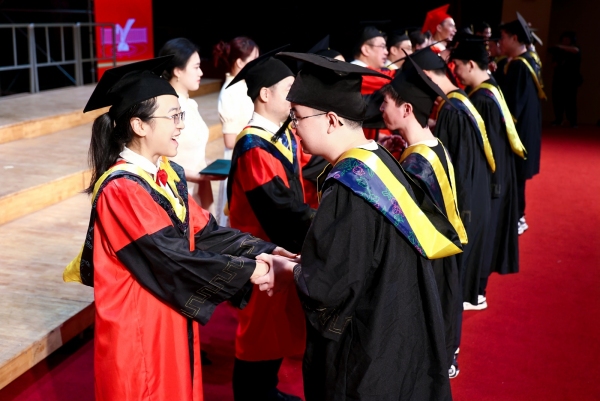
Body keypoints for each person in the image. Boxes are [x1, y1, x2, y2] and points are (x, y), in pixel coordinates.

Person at [62, 56, 292, 401]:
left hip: (167, 312)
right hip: (140, 325)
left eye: (180, 115)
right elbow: (170, 256)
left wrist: (266, 250)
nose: (180, 126)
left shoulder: (165, 175)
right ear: (139, 125)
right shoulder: (121, 189)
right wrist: (253, 270)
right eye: (173, 116)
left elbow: (206, 232)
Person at [256, 52, 462, 401]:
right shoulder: (379, 161)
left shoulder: (349, 186)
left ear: (331, 120)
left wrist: (288, 270)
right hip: (401, 333)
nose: (294, 127)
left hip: (370, 352)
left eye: (298, 117)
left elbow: (331, 287)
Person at [226, 51, 313, 401]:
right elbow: (280, 209)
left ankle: (266, 390)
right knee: (259, 332)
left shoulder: (282, 135)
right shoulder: (253, 146)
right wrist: (326, 230)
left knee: (275, 329)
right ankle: (251, 395)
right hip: (259, 254)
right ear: (265, 94)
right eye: (289, 88)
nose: (295, 95)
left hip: (279, 251)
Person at [379, 55, 468, 379]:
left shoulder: (416, 166)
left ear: (406, 109)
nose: (381, 108)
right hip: (445, 258)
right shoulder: (433, 147)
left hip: (429, 262)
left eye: (386, 102)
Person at [411, 47, 495, 313]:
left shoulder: (452, 109)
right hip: (476, 191)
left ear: (426, 76)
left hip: (465, 198)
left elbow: (452, 166)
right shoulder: (457, 102)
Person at [452, 36, 525, 309]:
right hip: (499, 178)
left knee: (484, 235)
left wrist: (489, 186)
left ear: (471, 64)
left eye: (458, 65)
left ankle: (478, 292)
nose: (456, 71)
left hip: (492, 180)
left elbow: (488, 147)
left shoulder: (483, 99)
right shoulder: (490, 89)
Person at [498, 12, 544, 235]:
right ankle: (517, 216)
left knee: (515, 177)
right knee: (517, 177)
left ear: (514, 38)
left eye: (503, 37)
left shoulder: (519, 66)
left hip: (519, 132)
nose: (500, 42)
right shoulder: (531, 59)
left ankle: (517, 217)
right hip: (529, 128)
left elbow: (513, 105)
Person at [158, 38, 216, 209]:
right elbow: (160, 160)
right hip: (177, 194)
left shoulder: (190, 104)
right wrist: (195, 175)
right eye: (196, 67)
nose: (201, 73)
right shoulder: (165, 108)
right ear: (178, 71)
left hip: (197, 189)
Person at [213, 36, 260, 226]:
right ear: (240, 62)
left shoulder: (243, 85)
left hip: (249, 154)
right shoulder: (230, 92)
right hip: (238, 158)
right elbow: (230, 140)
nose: (258, 63)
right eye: (253, 59)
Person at [549, 31, 582, 127]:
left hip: (571, 79)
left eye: (567, 40)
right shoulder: (559, 52)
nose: (565, 41)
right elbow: (554, 64)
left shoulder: (575, 49)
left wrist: (560, 47)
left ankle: (572, 121)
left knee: (570, 101)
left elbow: (576, 50)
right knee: (557, 99)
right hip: (559, 78)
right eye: (563, 40)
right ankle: (558, 119)